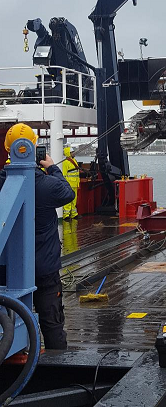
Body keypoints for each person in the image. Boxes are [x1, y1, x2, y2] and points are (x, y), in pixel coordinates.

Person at [0, 123, 74, 349]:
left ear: (8, 150)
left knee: (8, 325)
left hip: (7, 272)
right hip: (45, 268)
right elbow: (68, 193)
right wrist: (52, 168)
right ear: (34, 149)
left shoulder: (3, 182)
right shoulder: (47, 184)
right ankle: (59, 369)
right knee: (52, 324)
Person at [62, 145, 80, 221]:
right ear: (68, 153)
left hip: (75, 183)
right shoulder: (65, 163)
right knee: (68, 199)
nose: (73, 153)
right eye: (72, 152)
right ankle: (66, 215)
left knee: (74, 199)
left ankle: (73, 214)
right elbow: (64, 174)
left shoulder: (74, 160)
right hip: (69, 184)